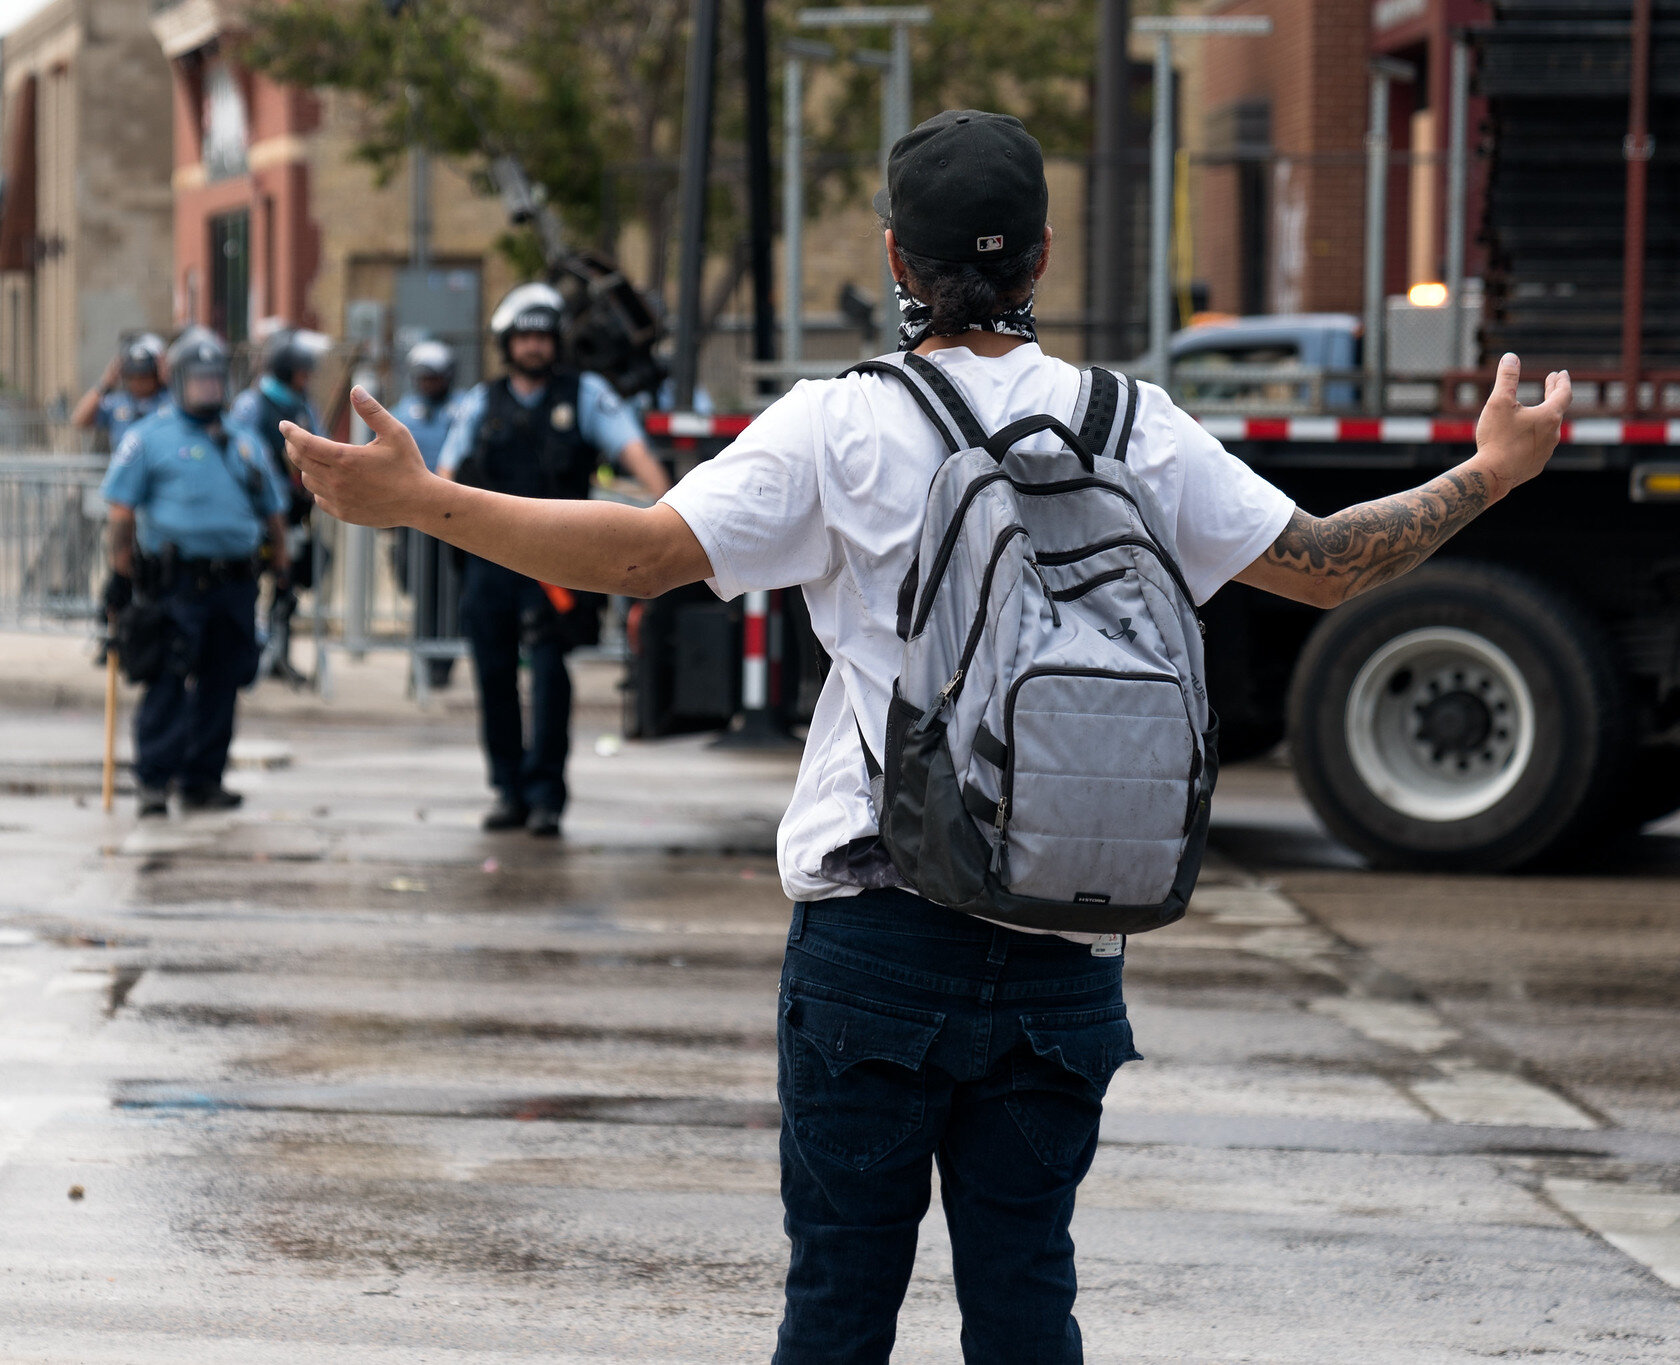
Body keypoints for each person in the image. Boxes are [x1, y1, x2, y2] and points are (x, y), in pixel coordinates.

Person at [278, 109, 1574, 1363]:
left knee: (838, 1308)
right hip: (1066, 932)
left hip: (876, 927)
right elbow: (1330, 563)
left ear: (896, 257)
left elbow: (643, 554)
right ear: (1045, 258)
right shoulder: (1133, 423)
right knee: (1025, 1305)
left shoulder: (843, 422)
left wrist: (424, 501)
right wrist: (1494, 471)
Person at [429, 282, 674, 837]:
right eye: (524, 336)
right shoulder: (479, 402)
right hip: (489, 561)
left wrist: (669, 516)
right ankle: (507, 792)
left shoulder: (584, 394)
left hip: (557, 563)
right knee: (493, 677)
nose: (534, 346)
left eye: (543, 336)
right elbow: (444, 478)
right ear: (505, 342)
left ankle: (546, 798)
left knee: (547, 676)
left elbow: (633, 452)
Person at [100, 328, 291, 818]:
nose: (208, 389)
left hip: (235, 583)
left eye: (215, 379)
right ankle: (154, 781)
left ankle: (203, 780)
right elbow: (121, 512)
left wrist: (285, 573)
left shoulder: (245, 442)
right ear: (179, 381)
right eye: (198, 380)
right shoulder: (148, 438)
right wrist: (119, 577)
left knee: (222, 683)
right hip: (174, 583)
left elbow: (273, 512)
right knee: (167, 680)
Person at [227, 327, 330, 683]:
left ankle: (279, 656)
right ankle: (248, 655)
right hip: (259, 514)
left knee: (288, 584)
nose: (308, 377)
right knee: (250, 583)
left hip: (295, 514)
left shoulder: (303, 403)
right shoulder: (253, 403)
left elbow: (320, 444)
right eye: (303, 370)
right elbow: (244, 453)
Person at [393, 338, 460, 688]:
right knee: (416, 585)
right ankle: (420, 657)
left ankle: (440, 665)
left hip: (453, 516)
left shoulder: (462, 409)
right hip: (413, 517)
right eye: (422, 377)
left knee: (448, 590)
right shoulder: (402, 411)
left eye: (434, 377)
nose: (427, 384)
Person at [71, 333, 169, 452]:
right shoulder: (118, 401)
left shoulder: (169, 400)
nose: (138, 383)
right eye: (132, 377)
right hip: (127, 466)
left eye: (144, 376)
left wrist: (169, 379)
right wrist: (105, 383)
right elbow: (79, 420)